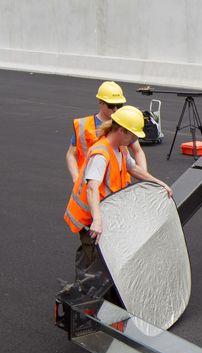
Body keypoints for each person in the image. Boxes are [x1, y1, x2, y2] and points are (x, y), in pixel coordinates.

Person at [63, 105, 173, 284]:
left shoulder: (120, 148)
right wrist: (97, 220)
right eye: (133, 134)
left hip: (104, 212)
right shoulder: (101, 153)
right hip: (90, 218)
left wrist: (158, 183)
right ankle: (84, 300)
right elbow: (92, 187)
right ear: (121, 131)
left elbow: (134, 168)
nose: (136, 139)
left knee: (102, 259)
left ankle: (96, 295)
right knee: (91, 259)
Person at [65, 81, 147, 183]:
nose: (115, 109)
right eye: (111, 105)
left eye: (119, 105)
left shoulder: (125, 123)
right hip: (91, 182)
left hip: (118, 185)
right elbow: (71, 154)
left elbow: (138, 151)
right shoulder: (83, 125)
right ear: (101, 102)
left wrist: (144, 175)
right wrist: (76, 177)